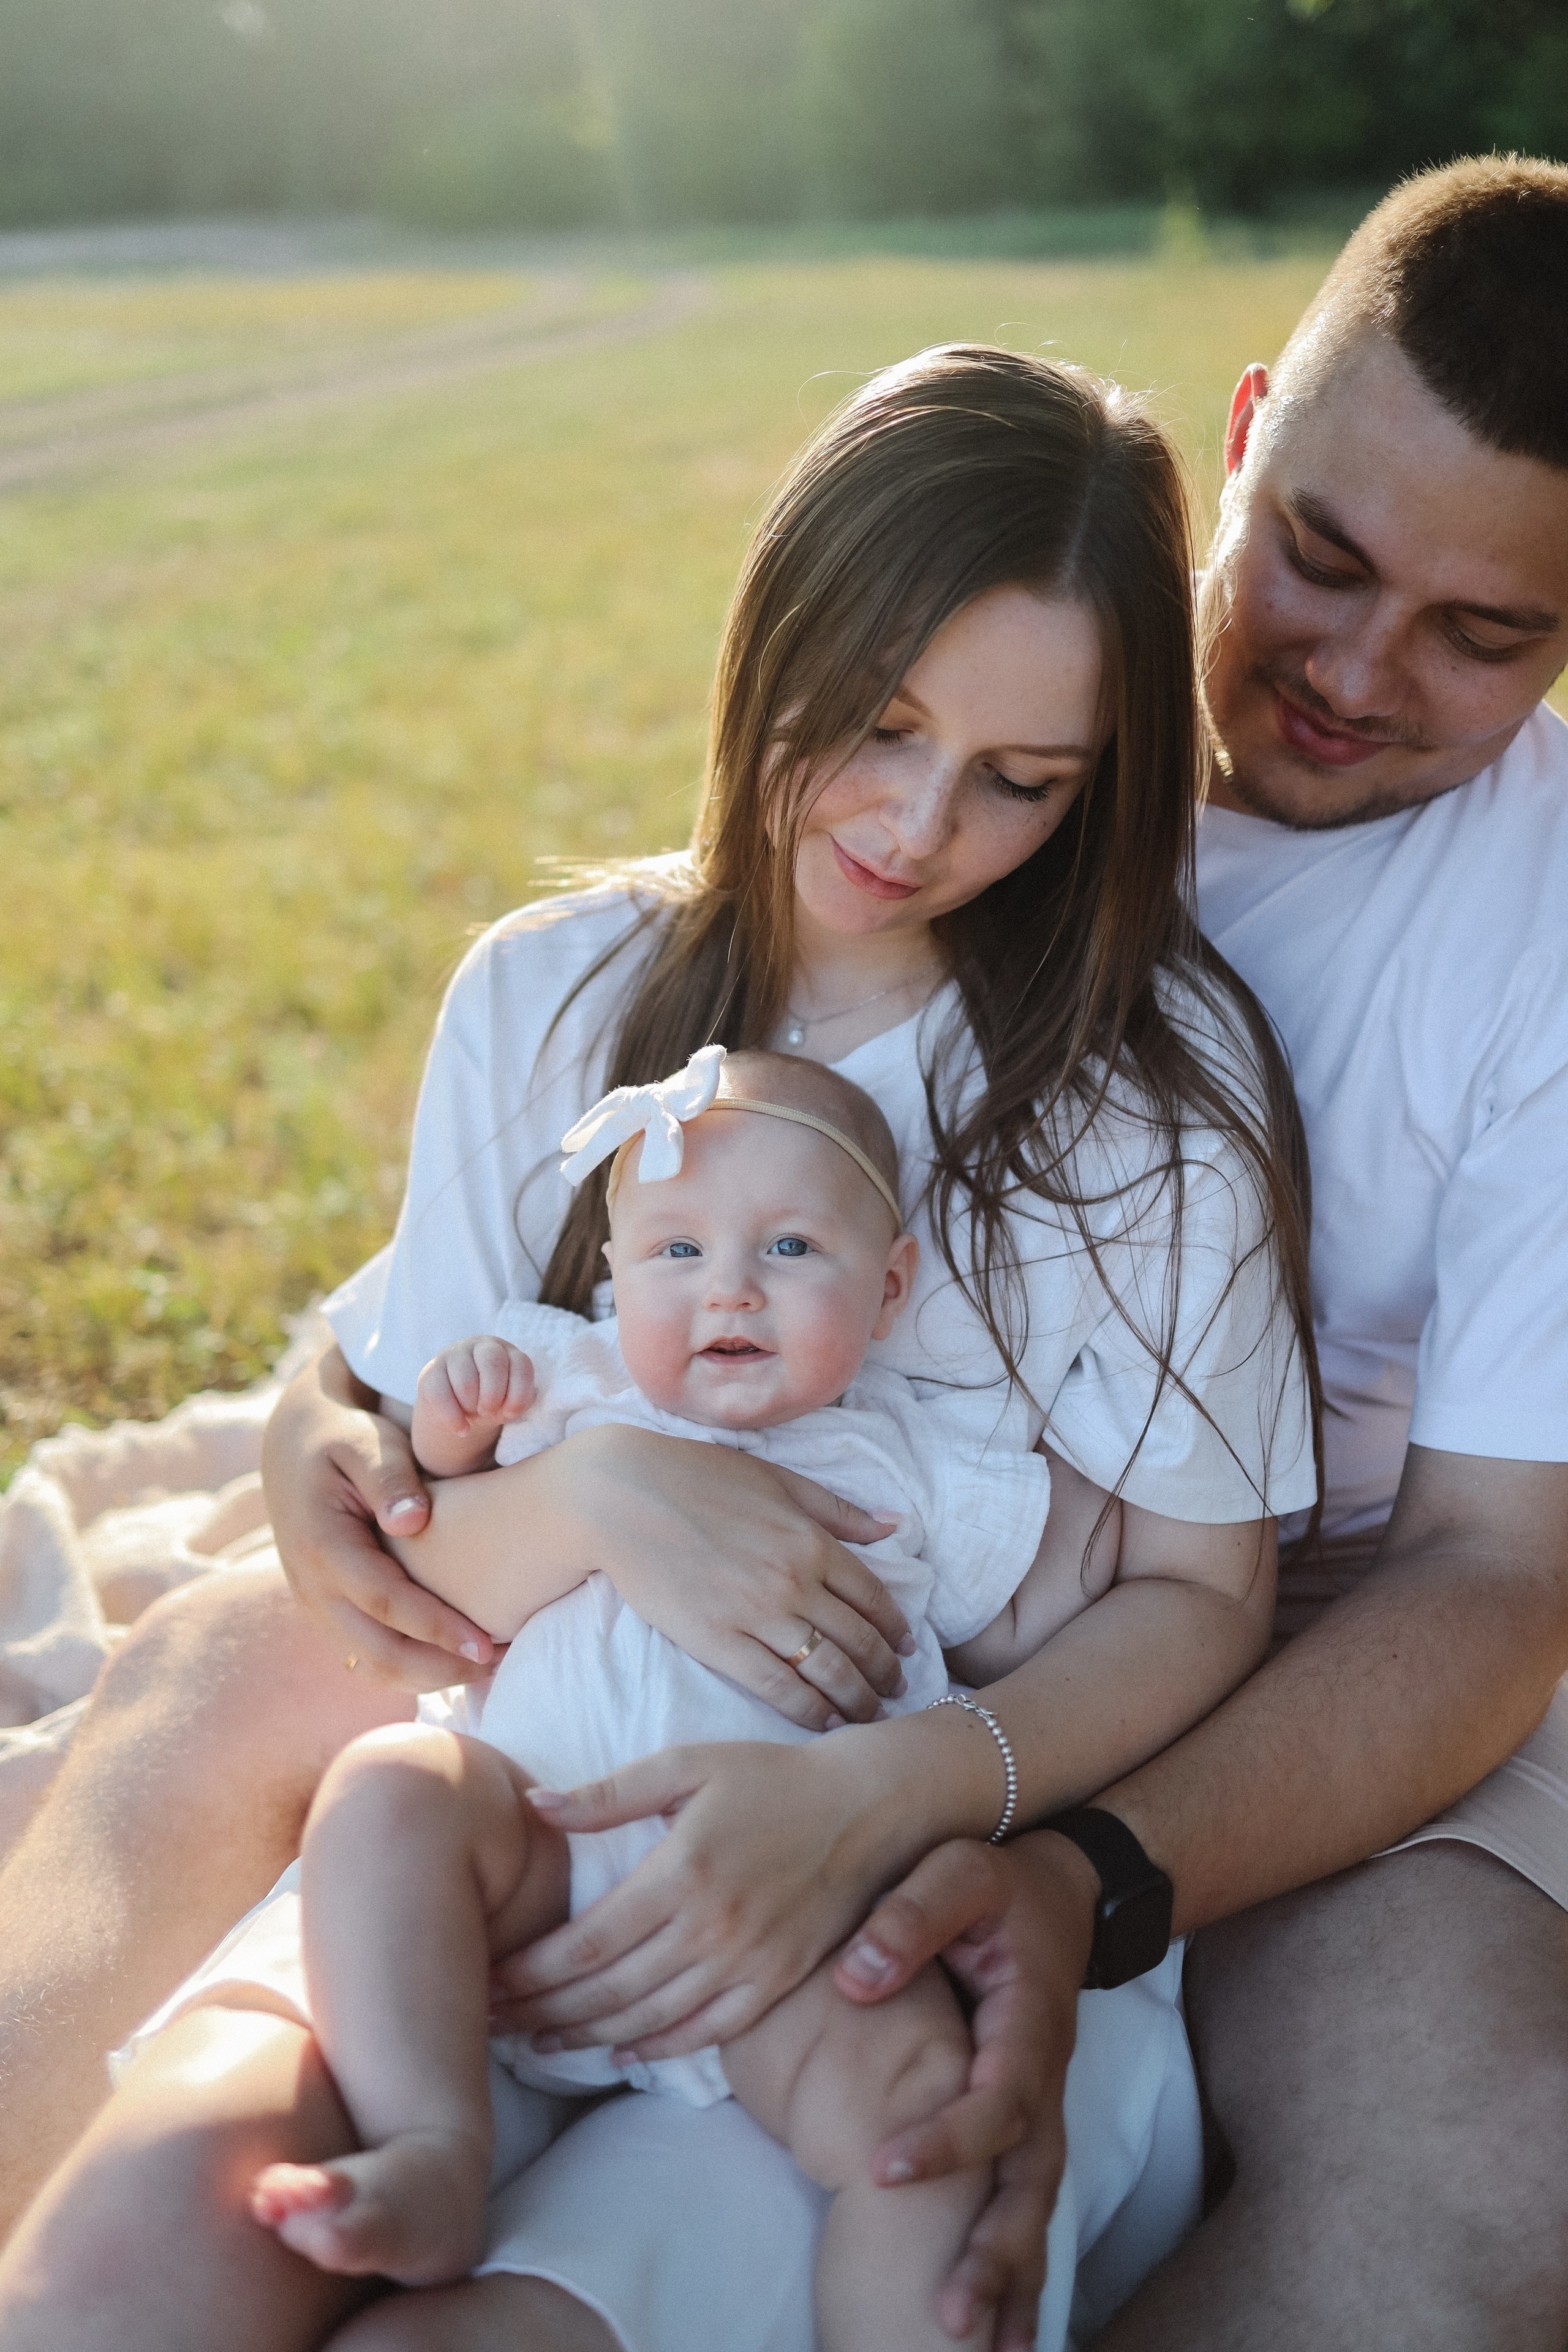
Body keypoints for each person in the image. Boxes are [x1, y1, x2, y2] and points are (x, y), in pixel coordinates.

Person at [0, 345, 1317, 2351]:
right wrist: (611, 1489)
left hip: (886, 1909)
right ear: (776, 633)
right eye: (877, 724)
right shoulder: (551, 994)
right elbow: (411, 1515)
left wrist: (894, 1789)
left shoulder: (1144, 1106)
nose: (918, 821)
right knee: (125, 2274)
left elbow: (1206, 1598)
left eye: (1023, 781)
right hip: (511, 1849)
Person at [816, 154, 1568, 2349]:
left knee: (1497, 2186)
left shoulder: (1539, 940)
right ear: (1246, 429)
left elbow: (1499, 1579)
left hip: (1334, 1660)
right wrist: (334, 1414)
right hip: (853, 1529)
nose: (1350, 670)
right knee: (227, 1708)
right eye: (1321, 559)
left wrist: (1093, 1878)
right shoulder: (999, 696)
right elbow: (666, 1061)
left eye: (1485, 633)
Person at [179, 1043, 1269, 2352]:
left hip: (790, 1912)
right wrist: (458, 1428)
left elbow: (1078, 1596)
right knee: (388, 1798)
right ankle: (430, 2145)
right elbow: (429, 1517)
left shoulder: (921, 1455)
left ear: (890, 1286)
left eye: (792, 1249)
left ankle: (903, 2320)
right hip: (537, 1851)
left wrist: (1127, 1502)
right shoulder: (567, 1381)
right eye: (676, 1253)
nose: (728, 1289)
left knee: (920, 2113)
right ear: (611, 1276)